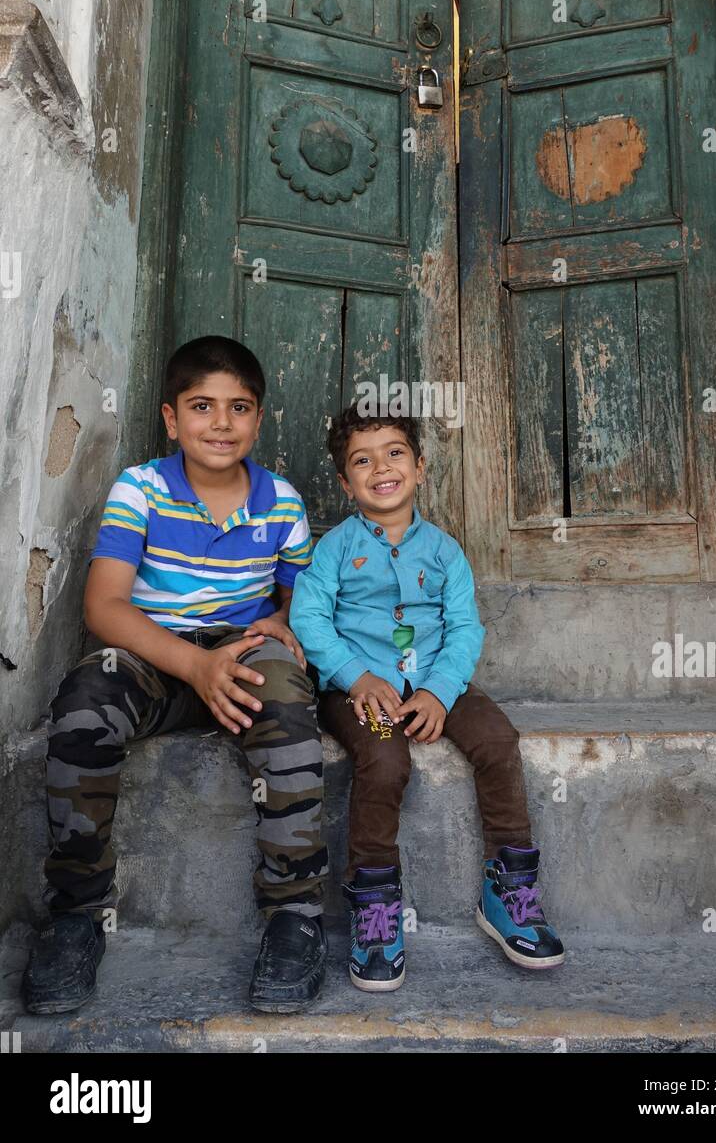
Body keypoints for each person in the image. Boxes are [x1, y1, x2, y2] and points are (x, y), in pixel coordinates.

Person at [22, 336, 328, 1016]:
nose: (221, 423)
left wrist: (288, 627)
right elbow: (103, 607)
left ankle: (294, 914)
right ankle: (75, 914)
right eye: (201, 406)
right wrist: (193, 664)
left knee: (284, 693)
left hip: (242, 652)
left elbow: (300, 597)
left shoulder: (280, 502)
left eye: (238, 407)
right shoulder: (142, 488)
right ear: (170, 418)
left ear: (258, 418)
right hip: (156, 657)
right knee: (84, 699)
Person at [290, 404, 564, 991]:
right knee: (386, 760)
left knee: (497, 738)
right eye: (361, 461)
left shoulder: (444, 551)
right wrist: (353, 676)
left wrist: (441, 691)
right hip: (359, 689)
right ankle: (375, 903)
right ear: (344, 482)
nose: (380, 468)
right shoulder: (334, 549)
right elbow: (309, 617)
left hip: (439, 679)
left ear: (419, 468)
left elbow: (465, 628)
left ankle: (508, 887)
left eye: (394, 454)